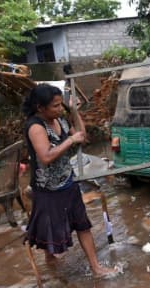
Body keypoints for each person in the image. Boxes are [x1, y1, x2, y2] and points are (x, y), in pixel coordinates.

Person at [22, 84, 118, 277]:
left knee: (83, 225)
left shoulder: (61, 121)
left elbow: (82, 137)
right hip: (48, 189)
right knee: (50, 230)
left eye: (60, 105)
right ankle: (50, 261)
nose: (59, 109)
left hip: (68, 182)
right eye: (55, 106)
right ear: (40, 108)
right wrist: (69, 141)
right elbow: (46, 156)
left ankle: (96, 267)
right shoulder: (35, 126)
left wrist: (75, 112)